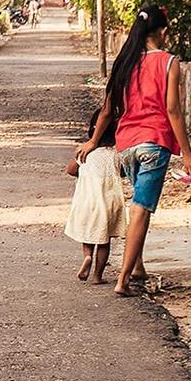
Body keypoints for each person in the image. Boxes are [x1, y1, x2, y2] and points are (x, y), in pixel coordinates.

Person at [77, 4, 191, 296]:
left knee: (137, 203)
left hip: (126, 145)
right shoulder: (168, 62)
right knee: (142, 209)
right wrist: (187, 154)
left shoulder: (124, 61)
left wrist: (94, 141)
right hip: (154, 144)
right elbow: (173, 109)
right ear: (162, 32)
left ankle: (137, 267)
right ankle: (123, 280)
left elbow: (108, 111)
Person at [63, 106, 127, 284]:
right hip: (110, 202)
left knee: (88, 235)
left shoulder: (85, 152)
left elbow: (71, 170)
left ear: (92, 129)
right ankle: (98, 276)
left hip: (88, 201)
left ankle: (87, 257)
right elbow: (122, 173)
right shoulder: (116, 155)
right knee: (104, 241)